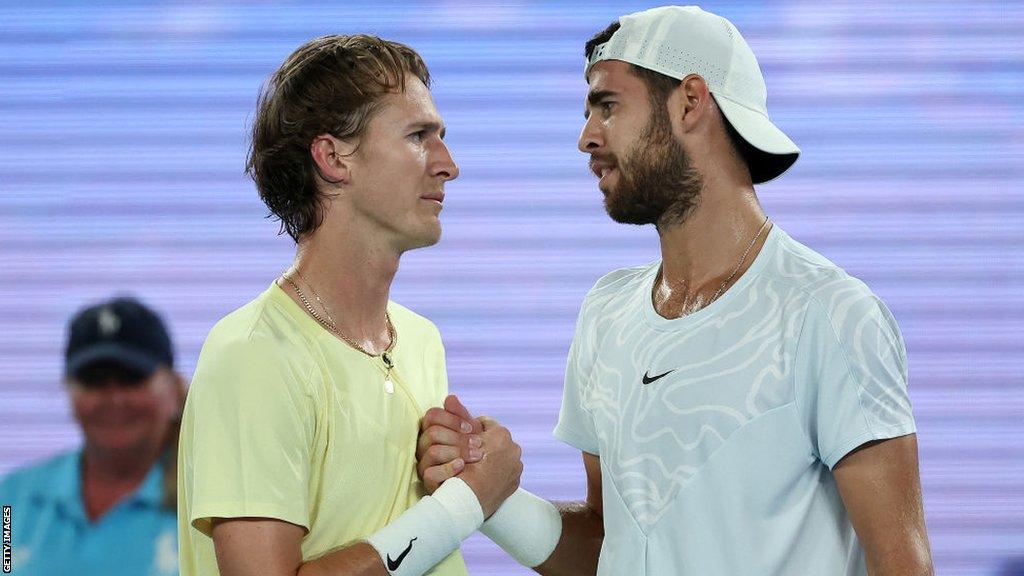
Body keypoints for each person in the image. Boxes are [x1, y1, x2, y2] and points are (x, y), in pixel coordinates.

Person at [415, 6, 935, 575]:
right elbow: (608, 545)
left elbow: (901, 563)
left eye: (607, 105)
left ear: (690, 101)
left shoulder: (831, 314)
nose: (586, 137)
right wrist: (489, 499)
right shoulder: (606, 312)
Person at [176, 34, 523, 576]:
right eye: (418, 136)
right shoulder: (253, 357)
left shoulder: (421, 340)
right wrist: (464, 505)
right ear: (334, 157)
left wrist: (464, 475)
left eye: (442, 137)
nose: (448, 164)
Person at [0, 296, 186, 575]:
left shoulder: (206, 502)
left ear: (175, 388)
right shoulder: (11, 503)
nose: (114, 398)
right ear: (68, 390)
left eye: (131, 377)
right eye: (94, 380)